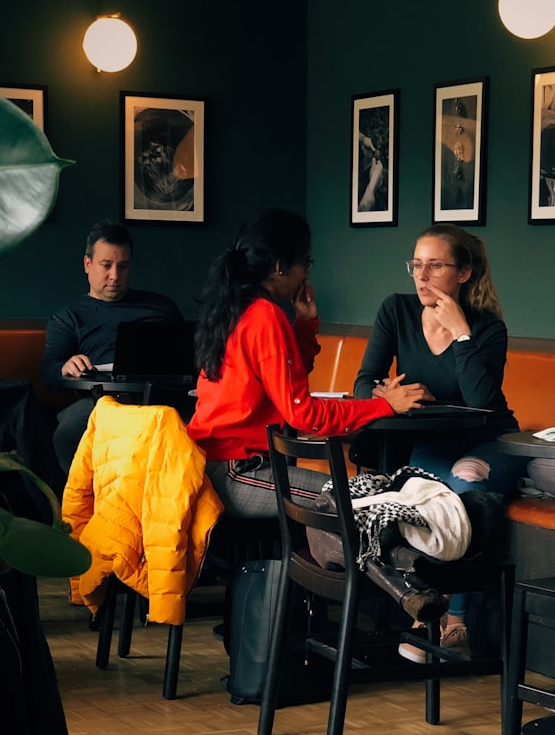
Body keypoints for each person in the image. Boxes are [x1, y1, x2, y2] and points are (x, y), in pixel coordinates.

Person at [185, 209, 447, 620]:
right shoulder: (265, 316)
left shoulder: (240, 306)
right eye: (305, 262)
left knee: (352, 500)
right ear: (279, 266)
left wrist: (305, 328)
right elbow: (304, 414)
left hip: (217, 465)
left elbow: (285, 385)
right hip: (239, 472)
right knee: (360, 501)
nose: (307, 273)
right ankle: (394, 601)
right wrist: (384, 404)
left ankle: (356, 608)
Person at [353, 223, 525, 658]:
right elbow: (362, 384)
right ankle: (427, 605)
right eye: (416, 265)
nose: (421, 276)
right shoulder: (397, 310)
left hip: (492, 441)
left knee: (464, 482)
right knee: (423, 493)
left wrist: (461, 332)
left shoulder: (488, 329)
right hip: (433, 441)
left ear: (463, 273)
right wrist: (389, 395)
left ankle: (455, 622)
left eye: (435, 266)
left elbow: (482, 399)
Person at [42, 219, 182, 475]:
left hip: (161, 401)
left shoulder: (161, 307)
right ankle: (78, 508)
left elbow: (188, 357)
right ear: (88, 264)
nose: (115, 276)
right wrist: (65, 366)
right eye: (106, 265)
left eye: (123, 266)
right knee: (70, 431)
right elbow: (49, 371)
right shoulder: (68, 317)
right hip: (100, 402)